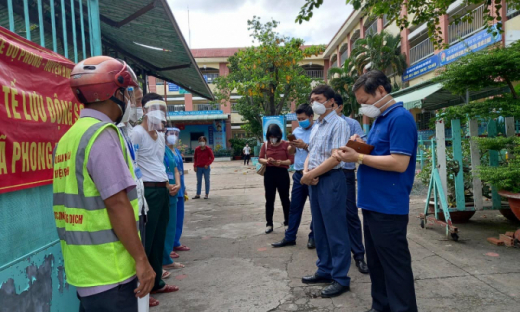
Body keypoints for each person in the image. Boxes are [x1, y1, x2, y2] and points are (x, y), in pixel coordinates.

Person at [53, 56, 155, 312]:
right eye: (128, 93)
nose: (131, 101)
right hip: (112, 273)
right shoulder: (102, 135)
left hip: (85, 271)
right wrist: (142, 260)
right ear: (116, 93)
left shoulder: (69, 138)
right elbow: (117, 203)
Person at [333, 70, 418, 312]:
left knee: (395, 267)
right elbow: (378, 153)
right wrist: (359, 145)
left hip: (388, 206)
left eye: (365, 102)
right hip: (371, 204)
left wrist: (358, 155)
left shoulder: (399, 118)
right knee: (377, 264)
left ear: (381, 91)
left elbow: (399, 163)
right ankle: (380, 306)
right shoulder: (381, 119)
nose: (363, 108)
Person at [299, 84, 351, 298]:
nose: (315, 103)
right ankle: (324, 269)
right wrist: (306, 170)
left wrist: (310, 175)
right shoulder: (317, 125)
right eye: (313, 99)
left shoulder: (339, 124)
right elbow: (312, 152)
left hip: (331, 179)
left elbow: (336, 157)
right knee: (319, 228)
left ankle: (340, 278)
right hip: (314, 179)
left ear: (331, 101)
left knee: (335, 229)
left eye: (319, 99)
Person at [131, 93, 180, 307]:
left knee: (160, 238)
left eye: (162, 110)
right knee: (147, 240)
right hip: (147, 191)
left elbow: (158, 165)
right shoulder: (137, 133)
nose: (159, 115)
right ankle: (145, 288)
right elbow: (133, 165)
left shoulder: (160, 137)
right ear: (145, 110)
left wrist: (168, 184)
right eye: (155, 110)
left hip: (161, 189)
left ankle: (157, 281)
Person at [332, 93, 370, 275]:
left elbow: (363, 143)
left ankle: (359, 256)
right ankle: (335, 257)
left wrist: (355, 145)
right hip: (327, 173)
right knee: (331, 214)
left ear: (339, 107)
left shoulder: (351, 123)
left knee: (351, 214)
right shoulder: (321, 125)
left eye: (332, 107)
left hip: (345, 172)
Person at [272, 104, 316, 248]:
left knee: (316, 208)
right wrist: (292, 145)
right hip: (298, 175)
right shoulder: (297, 130)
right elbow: (291, 152)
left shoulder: (318, 130)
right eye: (298, 118)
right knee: (295, 207)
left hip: (313, 174)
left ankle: (313, 237)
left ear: (311, 117)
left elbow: (320, 151)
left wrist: (305, 146)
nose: (301, 121)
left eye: (303, 118)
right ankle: (290, 237)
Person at [258, 124, 294, 234]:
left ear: (279, 135)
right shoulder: (265, 144)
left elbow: (291, 160)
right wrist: (267, 161)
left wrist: (281, 162)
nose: (272, 138)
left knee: (285, 199)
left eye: (274, 136)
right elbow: (260, 159)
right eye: (270, 136)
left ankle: (287, 222)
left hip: (282, 172)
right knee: (269, 199)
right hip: (269, 173)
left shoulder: (286, 145)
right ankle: (269, 223)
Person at [167, 128, 190, 256]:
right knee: (170, 219)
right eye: (171, 134)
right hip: (170, 188)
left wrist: (184, 187)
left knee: (179, 217)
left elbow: (179, 171)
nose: (174, 136)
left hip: (179, 188)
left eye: (176, 134)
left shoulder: (176, 151)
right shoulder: (163, 151)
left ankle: (176, 242)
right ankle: (168, 246)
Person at [162, 129, 183, 271]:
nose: (173, 137)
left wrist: (179, 185)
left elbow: (176, 169)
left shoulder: (172, 151)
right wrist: (167, 185)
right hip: (164, 189)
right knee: (165, 225)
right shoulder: (160, 150)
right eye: (170, 134)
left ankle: (167, 254)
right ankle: (164, 255)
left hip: (175, 189)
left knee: (173, 223)